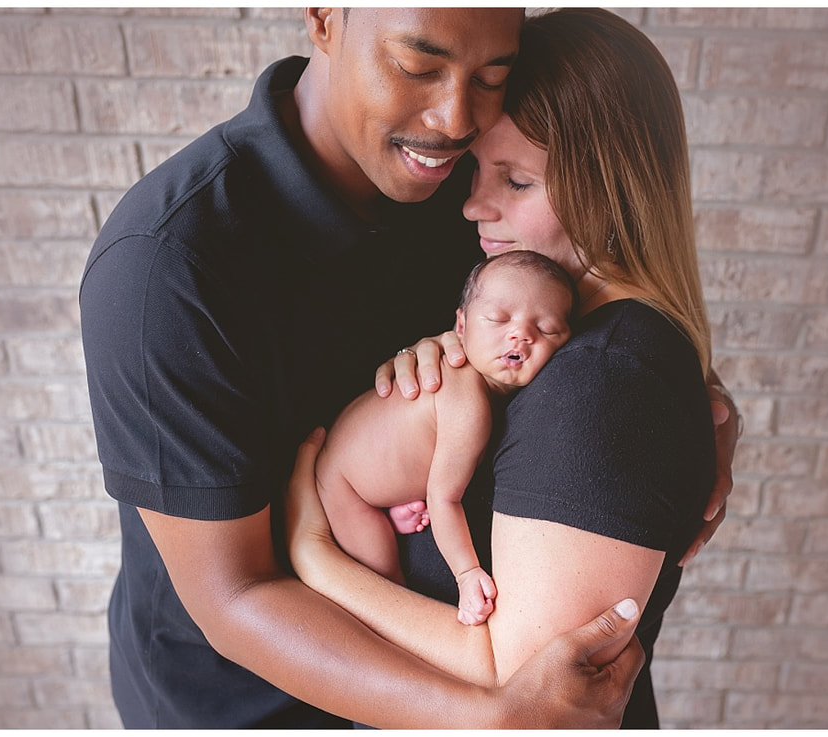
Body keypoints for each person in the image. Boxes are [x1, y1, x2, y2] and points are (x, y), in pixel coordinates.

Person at [80, 6, 738, 728]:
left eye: (492, 74)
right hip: (251, 699)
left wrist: (684, 399)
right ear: (325, 18)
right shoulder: (166, 267)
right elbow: (233, 597)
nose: (457, 115)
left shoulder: (457, 178)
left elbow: (591, 293)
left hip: (444, 635)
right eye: (418, 66)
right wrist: (488, 715)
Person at [286, 8, 728, 728]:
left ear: (611, 192)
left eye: (516, 181)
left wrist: (314, 560)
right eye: (477, 170)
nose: (471, 205)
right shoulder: (558, 328)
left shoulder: (603, 382)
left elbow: (516, 682)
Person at [317, 250, 575, 625]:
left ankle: (399, 500)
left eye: (547, 328)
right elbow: (445, 498)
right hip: (344, 487)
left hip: (360, 447)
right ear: (461, 326)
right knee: (386, 582)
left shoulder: (481, 387)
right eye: (498, 319)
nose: (521, 333)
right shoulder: (467, 404)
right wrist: (467, 574)